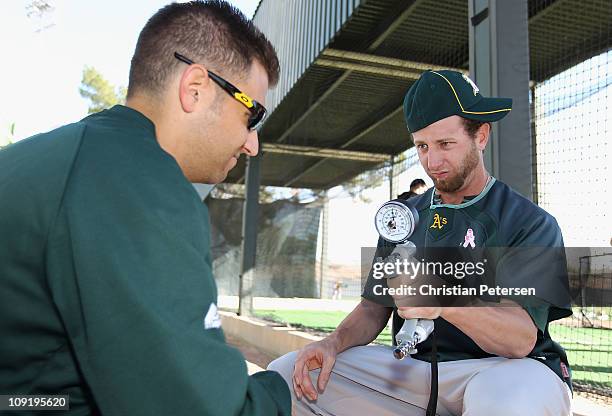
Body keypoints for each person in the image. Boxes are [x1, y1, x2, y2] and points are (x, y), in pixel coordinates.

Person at [0, 1, 291, 415]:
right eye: (252, 115)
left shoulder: (50, 156)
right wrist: (283, 388)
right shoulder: (138, 183)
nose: (252, 143)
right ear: (195, 88)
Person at [268, 70, 573, 415]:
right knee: (288, 375)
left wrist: (442, 299)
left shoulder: (530, 222)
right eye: (422, 146)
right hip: (416, 370)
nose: (432, 161)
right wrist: (332, 342)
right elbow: (373, 308)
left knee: (506, 402)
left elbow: (520, 339)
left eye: (446, 144)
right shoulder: (404, 217)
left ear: (481, 135)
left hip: (506, 370)